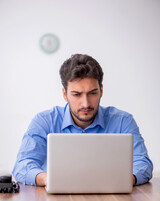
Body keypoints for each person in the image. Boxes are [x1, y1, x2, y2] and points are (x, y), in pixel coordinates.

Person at [12, 54, 153, 187]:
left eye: (92, 93)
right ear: (64, 94)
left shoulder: (123, 121)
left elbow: (143, 164)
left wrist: (123, 180)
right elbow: (22, 165)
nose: (85, 103)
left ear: (101, 91)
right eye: (76, 94)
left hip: (111, 200)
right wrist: (47, 179)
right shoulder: (44, 121)